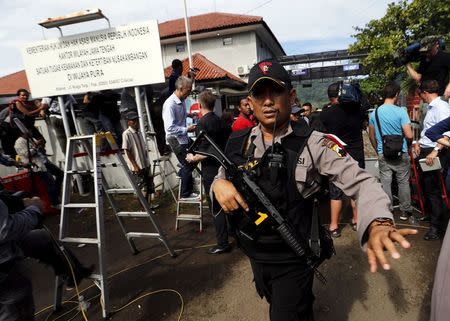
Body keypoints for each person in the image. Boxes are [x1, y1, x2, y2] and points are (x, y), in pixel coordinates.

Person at [211, 59, 417, 321]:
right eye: (259, 94)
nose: (268, 101)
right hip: (256, 254)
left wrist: (378, 220)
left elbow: (362, 182)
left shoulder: (314, 143)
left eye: (275, 92)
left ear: (291, 96)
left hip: (293, 259)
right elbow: (223, 174)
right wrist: (219, 184)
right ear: (249, 102)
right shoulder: (238, 142)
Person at [0, 196, 92, 320]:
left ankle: (73, 273)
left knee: (42, 239)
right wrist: (34, 210)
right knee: (17, 307)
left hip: (7, 244)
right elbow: (5, 229)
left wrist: (21, 201)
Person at [186, 90, 232, 254]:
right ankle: (233, 233)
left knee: (217, 207)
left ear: (199, 105)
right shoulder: (222, 123)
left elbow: (205, 152)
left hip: (211, 171)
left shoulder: (203, 124)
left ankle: (222, 243)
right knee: (228, 203)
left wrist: (192, 158)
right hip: (225, 168)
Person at [320, 82, 366, 237]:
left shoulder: (326, 114)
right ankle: (356, 220)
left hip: (336, 157)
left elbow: (321, 137)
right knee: (356, 191)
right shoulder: (359, 111)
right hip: (357, 156)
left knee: (335, 192)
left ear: (330, 97)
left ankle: (333, 226)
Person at [368, 82, 414, 221]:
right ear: (396, 94)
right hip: (401, 152)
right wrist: (407, 146)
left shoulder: (374, 113)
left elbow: (371, 135)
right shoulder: (401, 111)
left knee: (386, 182)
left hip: (384, 153)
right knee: (403, 182)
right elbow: (409, 135)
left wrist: (378, 150)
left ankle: (387, 211)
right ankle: (405, 211)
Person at [413, 80, 450, 240]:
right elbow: (428, 130)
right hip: (426, 150)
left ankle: (437, 227)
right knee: (427, 186)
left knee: (434, 189)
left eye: (420, 94)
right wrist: (418, 143)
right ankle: (432, 216)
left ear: (425, 93)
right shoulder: (433, 107)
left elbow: (447, 132)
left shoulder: (441, 107)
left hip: (434, 152)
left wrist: (435, 151)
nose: (420, 98)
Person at [162, 76, 197, 200]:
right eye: (188, 91)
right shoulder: (170, 104)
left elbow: (179, 115)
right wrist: (187, 129)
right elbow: (170, 127)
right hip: (175, 139)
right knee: (188, 163)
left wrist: (189, 114)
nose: (189, 93)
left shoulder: (181, 100)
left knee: (198, 151)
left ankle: (182, 171)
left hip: (183, 137)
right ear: (181, 88)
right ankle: (185, 194)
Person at [14, 133, 63, 207]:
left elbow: (40, 151)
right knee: (50, 181)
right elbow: (27, 154)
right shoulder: (19, 142)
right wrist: (35, 146)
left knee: (60, 173)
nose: (31, 132)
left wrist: (41, 146)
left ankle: (56, 195)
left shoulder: (31, 139)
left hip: (44, 162)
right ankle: (54, 203)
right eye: (30, 130)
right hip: (36, 166)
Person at [122, 111, 153, 199]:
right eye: (133, 120)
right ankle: (143, 210)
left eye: (136, 120)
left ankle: (148, 208)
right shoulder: (126, 133)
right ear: (128, 122)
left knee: (149, 188)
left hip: (145, 165)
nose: (136, 122)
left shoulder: (139, 132)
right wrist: (135, 166)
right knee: (141, 189)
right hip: (137, 167)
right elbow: (127, 151)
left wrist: (147, 163)